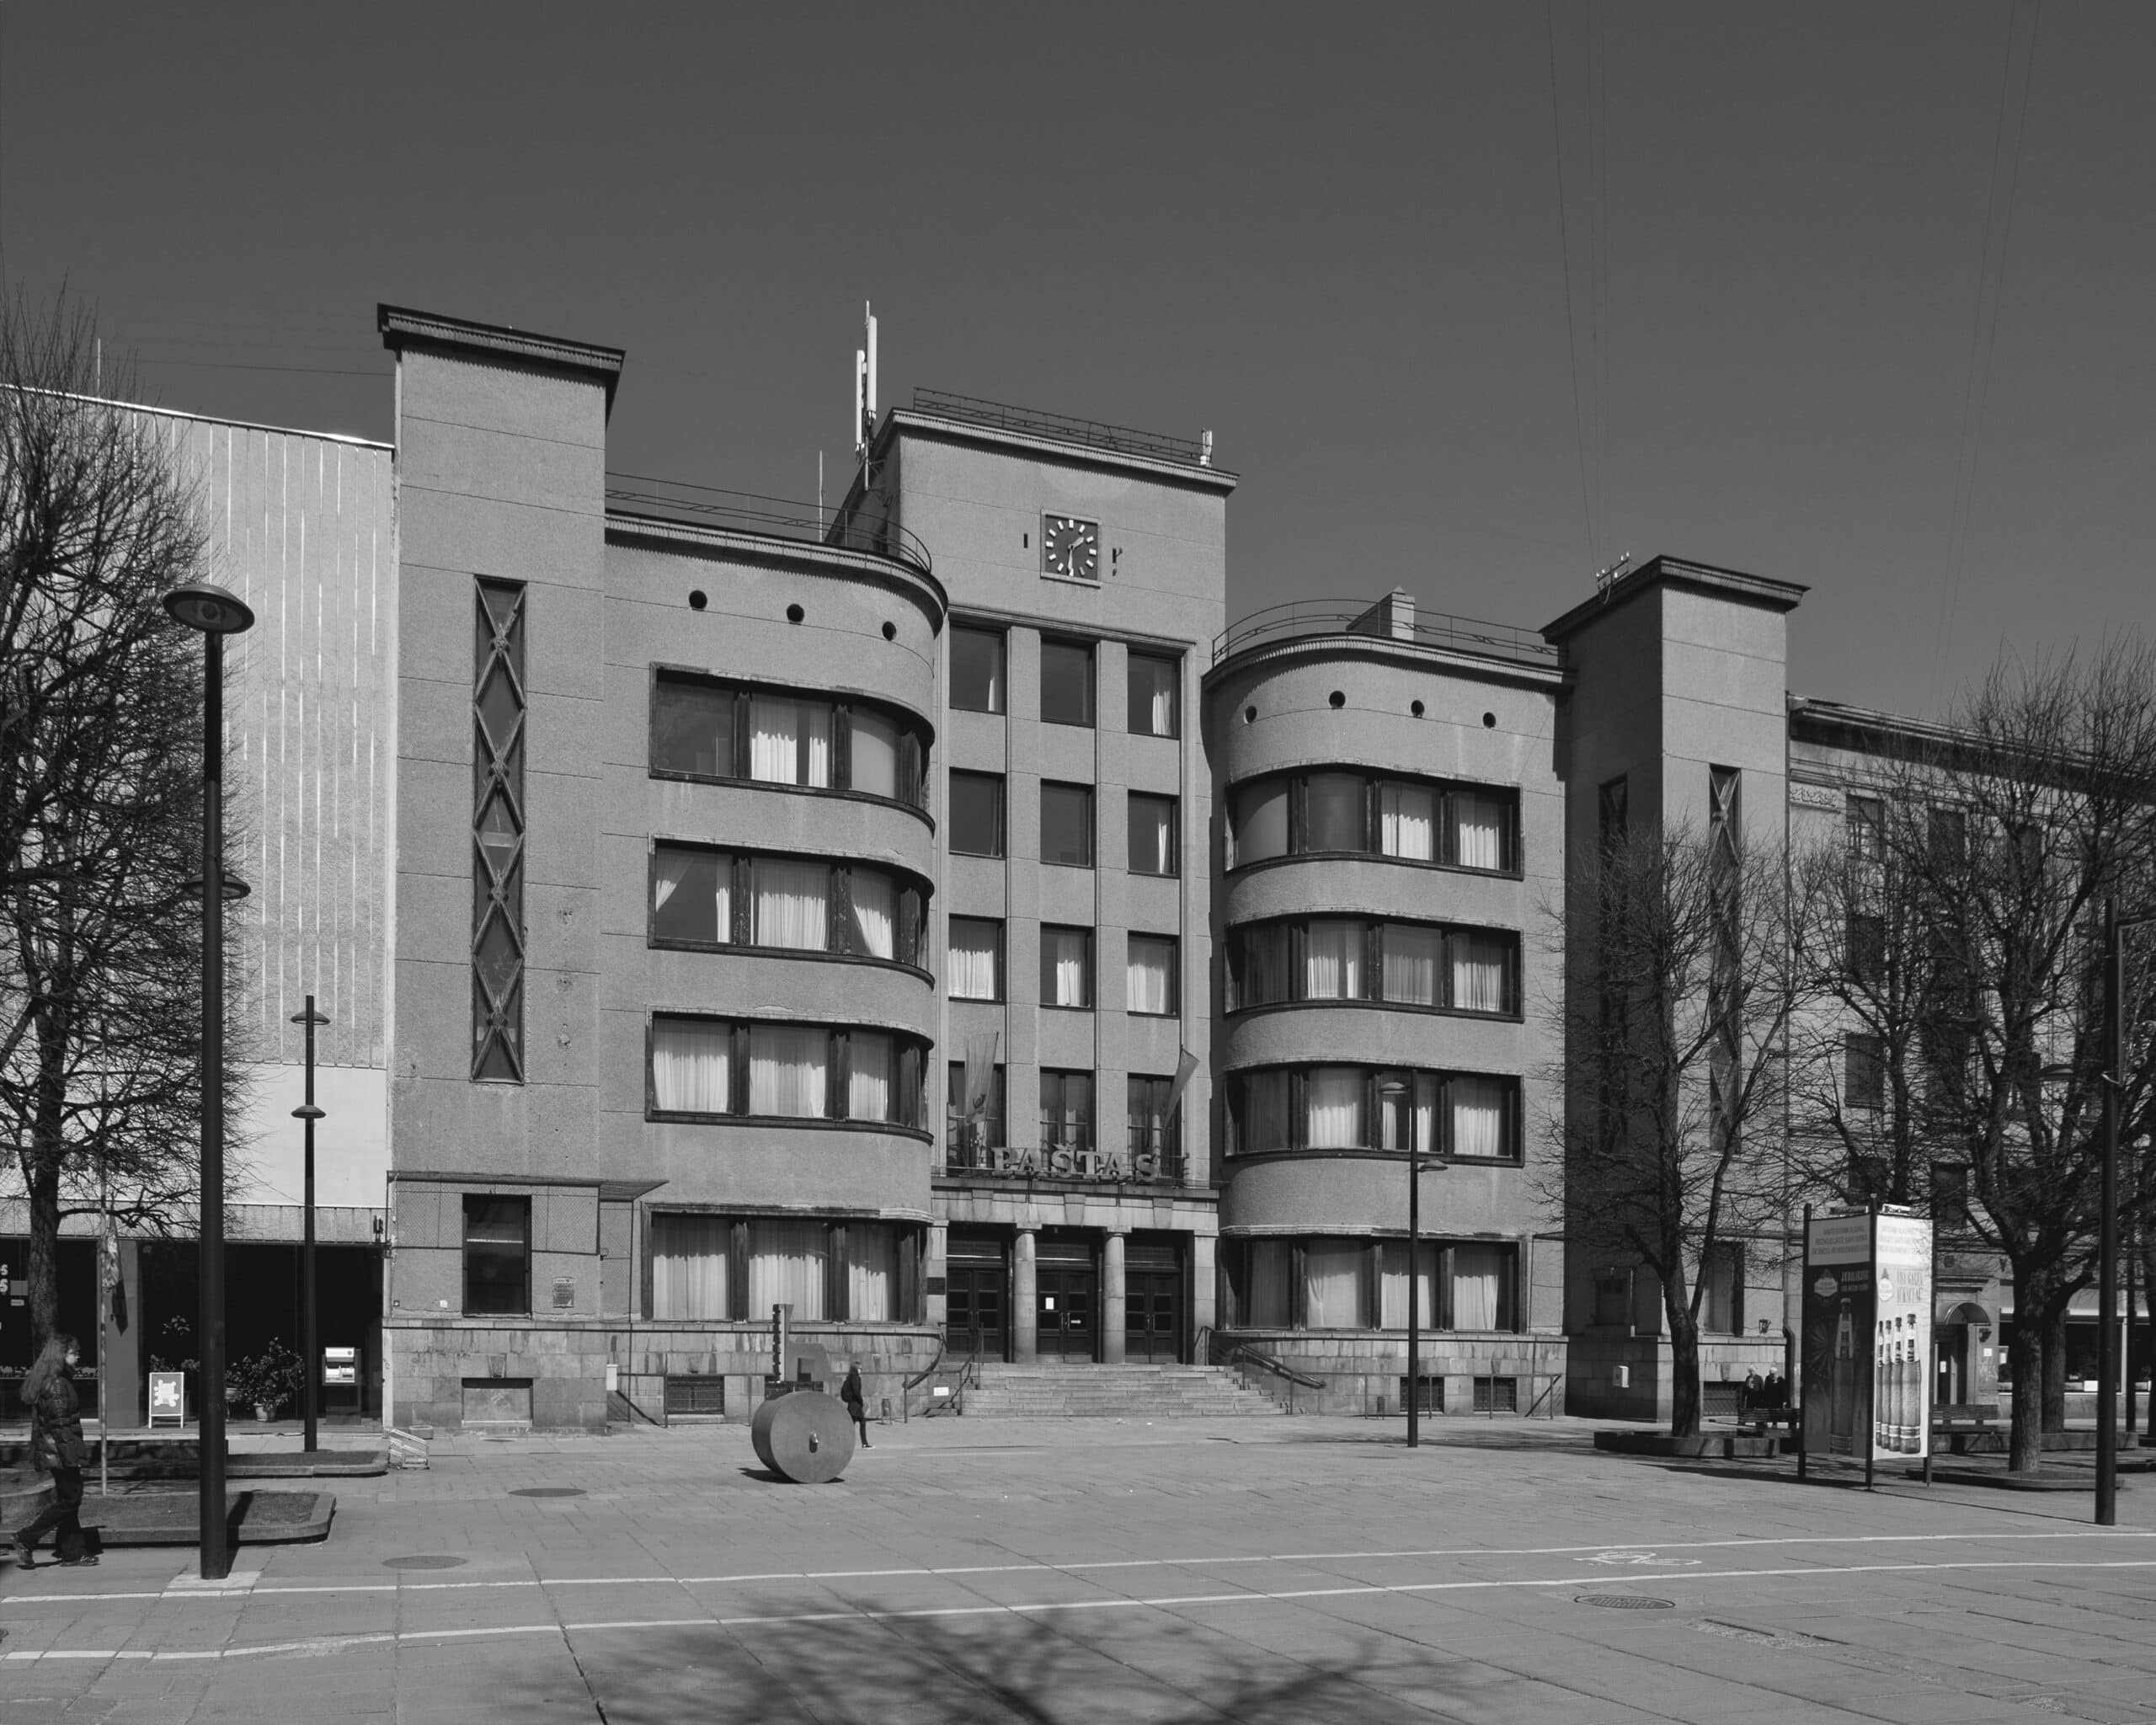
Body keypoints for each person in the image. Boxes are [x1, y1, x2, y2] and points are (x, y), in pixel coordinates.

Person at [13, 1332, 95, 1567]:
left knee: (69, 1499)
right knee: (71, 1499)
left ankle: (73, 1553)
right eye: (73, 1353)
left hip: (56, 1452)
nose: (78, 1357)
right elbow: (60, 1426)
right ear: (60, 1355)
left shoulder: (55, 1380)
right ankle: (26, 1538)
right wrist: (72, 1458)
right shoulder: (58, 1384)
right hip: (60, 1453)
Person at [839, 1362, 871, 1449]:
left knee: (853, 1424)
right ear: (856, 1368)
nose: (861, 1370)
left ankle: (845, 1443)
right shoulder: (855, 1377)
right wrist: (861, 1401)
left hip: (852, 1404)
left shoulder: (850, 1377)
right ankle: (864, 1444)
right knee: (861, 1423)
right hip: (856, 1404)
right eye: (860, 1368)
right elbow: (856, 1391)